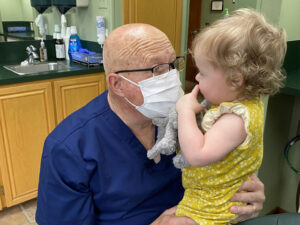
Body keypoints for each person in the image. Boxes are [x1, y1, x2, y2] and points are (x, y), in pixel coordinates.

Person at [36, 23, 265, 225]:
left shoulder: (191, 118)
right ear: (117, 84)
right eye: (156, 69)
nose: (171, 77)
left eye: (172, 64)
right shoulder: (69, 149)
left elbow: (223, 172)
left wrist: (243, 199)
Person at [175, 9, 286, 225]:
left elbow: (197, 155)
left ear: (236, 79)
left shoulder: (235, 119)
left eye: (203, 73)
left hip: (211, 209)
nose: (196, 77)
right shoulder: (244, 103)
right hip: (207, 199)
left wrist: (185, 112)